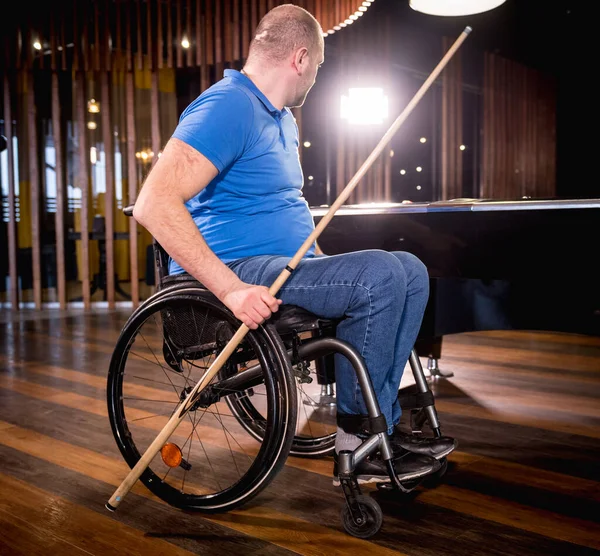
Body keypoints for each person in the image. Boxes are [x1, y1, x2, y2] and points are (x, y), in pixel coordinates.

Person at [133, 4, 456, 485]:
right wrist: (231, 290)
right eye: (320, 66)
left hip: (281, 264)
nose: (317, 76)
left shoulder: (280, 117)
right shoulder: (230, 106)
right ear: (301, 58)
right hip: (240, 271)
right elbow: (152, 204)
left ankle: (380, 427)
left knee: (408, 268)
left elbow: (280, 212)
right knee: (383, 274)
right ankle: (358, 442)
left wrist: (326, 268)